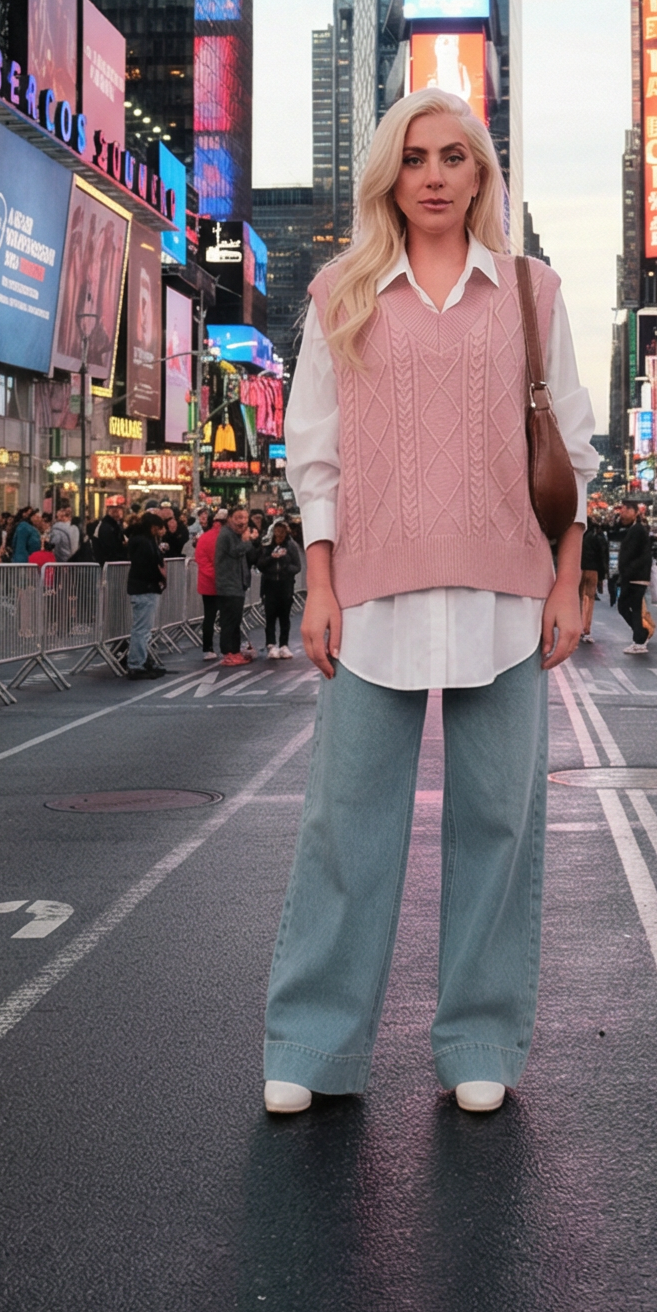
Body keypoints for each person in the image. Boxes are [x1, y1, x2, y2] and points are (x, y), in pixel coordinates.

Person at [265, 85, 595, 1118]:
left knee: (500, 825)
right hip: (371, 600)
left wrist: (571, 579)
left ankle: (480, 1037)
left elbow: (573, 452)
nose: (437, 175)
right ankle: (314, 1044)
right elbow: (313, 458)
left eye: (457, 156)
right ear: (389, 177)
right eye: (416, 158)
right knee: (342, 826)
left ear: (483, 174)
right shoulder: (341, 295)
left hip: (507, 593)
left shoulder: (533, 292)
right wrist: (318, 585)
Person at [125, 508, 167, 676]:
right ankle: (136, 663)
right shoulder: (145, 543)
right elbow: (148, 565)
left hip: (141, 588)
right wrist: (160, 577)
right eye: (157, 528)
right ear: (152, 527)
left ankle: (141, 660)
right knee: (142, 629)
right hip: (146, 588)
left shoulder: (138, 540)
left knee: (142, 628)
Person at [214, 506, 252, 667]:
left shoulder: (235, 535)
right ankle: (228, 653)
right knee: (229, 621)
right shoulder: (227, 535)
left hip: (237, 585)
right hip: (229, 585)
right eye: (238, 518)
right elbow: (236, 551)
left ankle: (235, 651)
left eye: (244, 518)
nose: (242, 522)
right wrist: (247, 541)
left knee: (235, 620)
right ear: (229, 518)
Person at [255, 519, 299, 657]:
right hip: (270, 584)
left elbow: (297, 566)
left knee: (285, 616)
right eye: (277, 531)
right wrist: (271, 558)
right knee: (270, 616)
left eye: (282, 531)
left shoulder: (291, 546)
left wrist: (285, 564)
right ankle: (271, 644)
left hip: (285, 585)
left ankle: (284, 645)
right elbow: (260, 564)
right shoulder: (267, 545)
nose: (279, 534)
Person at [616, 498, 653, 655]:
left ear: (633, 512)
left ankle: (640, 638)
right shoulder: (635, 528)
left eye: (624, 510)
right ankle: (639, 637)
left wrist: (627, 571)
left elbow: (635, 555)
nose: (621, 513)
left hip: (635, 576)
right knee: (631, 607)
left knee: (626, 606)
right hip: (635, 575)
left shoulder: (637, 530)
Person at [195, 507, 222, 656]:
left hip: (207, 584)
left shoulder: (204, 538)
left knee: (209, 617)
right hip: (225, 583)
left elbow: (201, 561)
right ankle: (230, 648)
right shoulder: (227, 537)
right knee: (228, 617)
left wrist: (213, 574)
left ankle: (207, 648)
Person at [579, 515, 607, 640]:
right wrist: (602, 575)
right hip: (593, 570)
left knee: (580, 598)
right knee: (589, 599)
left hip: (580, 569)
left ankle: (579, 626)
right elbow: (602, 555)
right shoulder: (597, 535)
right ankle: (586, 629)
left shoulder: (580, 535)